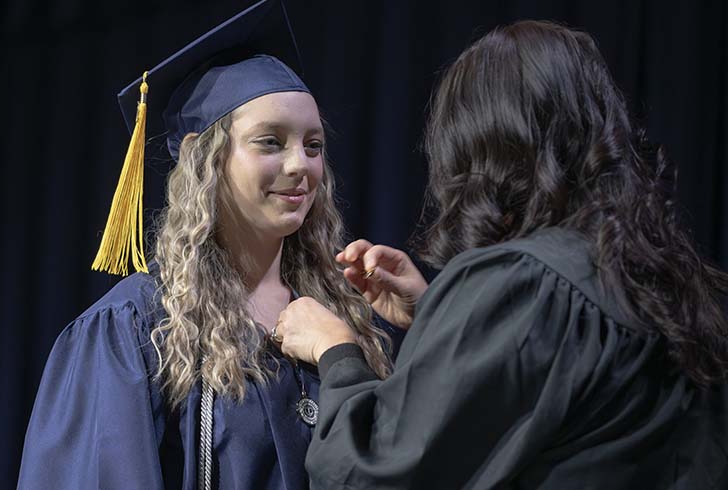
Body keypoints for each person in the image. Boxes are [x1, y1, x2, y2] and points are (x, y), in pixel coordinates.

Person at [275, 20, 728, 489]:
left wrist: (336, 351)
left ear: (479, 146)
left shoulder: (526, 282)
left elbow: (369, 474)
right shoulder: (657, 280)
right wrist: (439, 312)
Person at [17, 1, 391, 489]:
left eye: (313, 145)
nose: (301, 164)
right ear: (205, 159)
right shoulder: (141, 326)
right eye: (271, 142)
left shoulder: (333, 318)